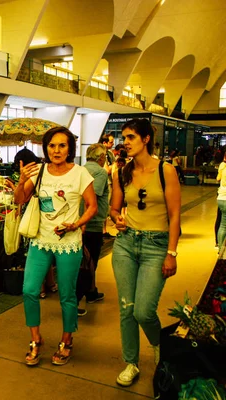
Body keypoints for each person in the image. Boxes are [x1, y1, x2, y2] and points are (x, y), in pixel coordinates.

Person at [14, 127, 97, 367]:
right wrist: (21, 182)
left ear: (70, 148)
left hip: (69, 243)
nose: (56, 150)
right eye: (52, 145)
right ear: (46, 148)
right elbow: (20, 199)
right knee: (29, 290)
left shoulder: (81, 173)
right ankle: (35, 339)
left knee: (67, 295)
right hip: (41, 240)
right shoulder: (38, 171)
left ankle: (67, 339)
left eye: (62, 145)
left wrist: (77, 224)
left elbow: (92, 206)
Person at [110, 118, 181, 387]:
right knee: (127, 309)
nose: (125, 142)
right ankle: (131, 362)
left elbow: (175, 216)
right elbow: (115, 209)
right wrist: (117, 218)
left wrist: (171, 252)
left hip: (156, 245)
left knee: (144, 310)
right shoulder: (122, 172)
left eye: (130, 137)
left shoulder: (166, 170)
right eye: (124, 138)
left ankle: (160, 345)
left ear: (146, 139)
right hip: (126, 244)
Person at [79, 144, 109, 310]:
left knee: (85, 259)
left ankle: (91, 290)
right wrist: (84, 221)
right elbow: (91, 200)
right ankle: (82, 293)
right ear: (101, 158)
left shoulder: (80, 169)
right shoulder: (100, 172)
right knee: (90, 261)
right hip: (92, 223)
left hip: (79, 222)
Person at [215, 153, 226, 251]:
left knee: (222, 224)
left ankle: (220, 247)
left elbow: (218, 179)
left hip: (221, 197)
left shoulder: (222, 166)